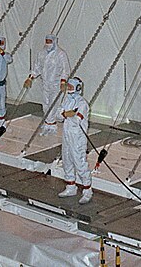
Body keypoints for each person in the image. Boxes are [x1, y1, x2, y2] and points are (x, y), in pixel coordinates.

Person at [57, 76, 93, 204]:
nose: (69, 89)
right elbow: (59, 116)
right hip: (66, 136)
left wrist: (66, 114)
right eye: (69, 86)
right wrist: (67, 113)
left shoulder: (82, 103)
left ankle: (87, 190)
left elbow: (76, 119)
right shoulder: (66, 100)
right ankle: (70, 186)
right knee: (67, 161)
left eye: (71, 87)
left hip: (77, 138)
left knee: (79, 163)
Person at [25, 34, 70, 135]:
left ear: (54, 41)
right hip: (45, 83)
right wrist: (30, 78)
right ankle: (47, 123)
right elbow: (37, 67)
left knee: (53, 104)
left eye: (50, 41)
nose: (48, 43)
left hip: (56, 84)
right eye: (46, 41)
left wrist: (63, 81)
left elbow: (65, 69)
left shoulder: (60, 54)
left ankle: (51, 125)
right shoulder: (42, 53)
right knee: (45, 104)